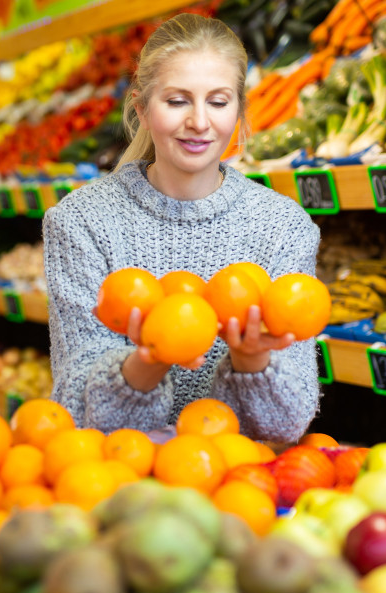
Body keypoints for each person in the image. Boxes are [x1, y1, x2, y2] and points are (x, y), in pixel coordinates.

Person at [43, 13, 320, 442]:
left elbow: (288, 422)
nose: (199, 122)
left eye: (218, 102)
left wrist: (251, 359)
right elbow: (75, 408)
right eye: (177, 101)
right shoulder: (81, 222)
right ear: (142, 108)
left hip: (242, 474)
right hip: (117, 474)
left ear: (239, 109)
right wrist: (149, 359)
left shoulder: (284, 227)